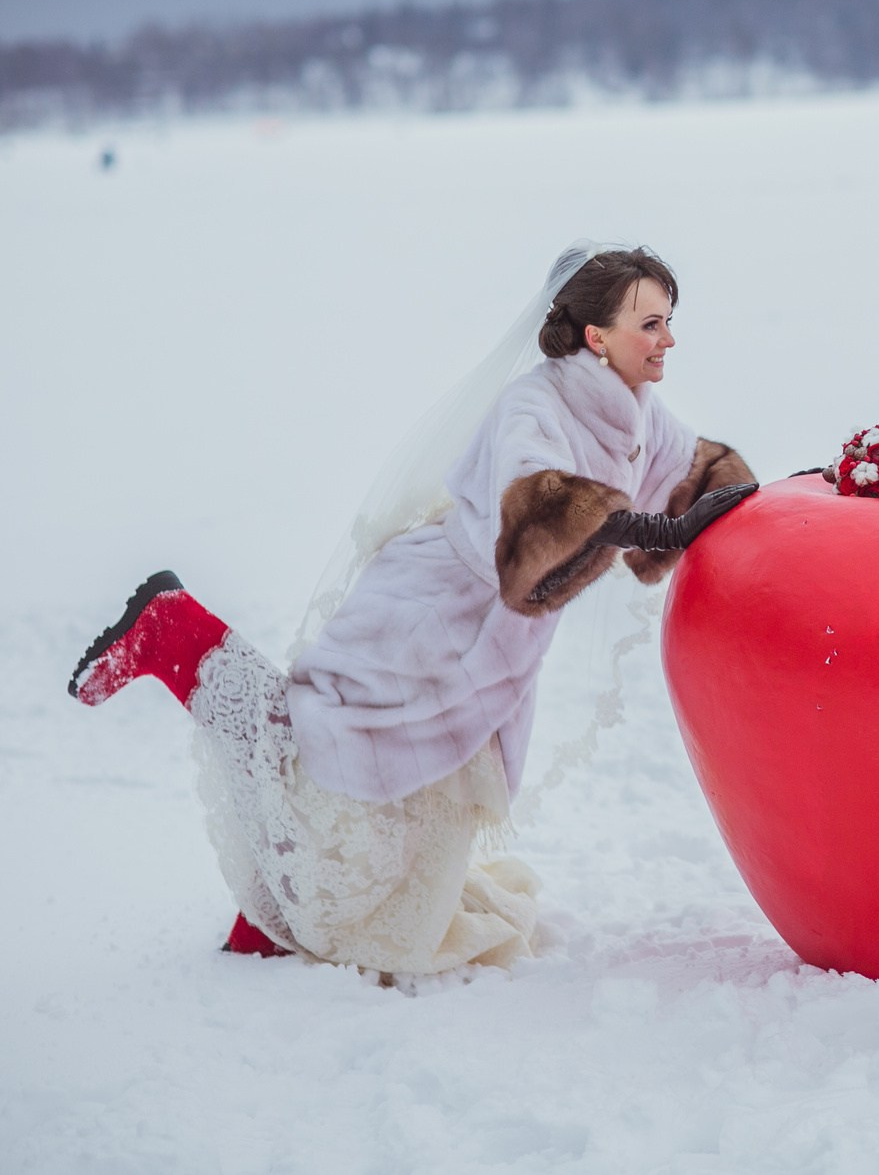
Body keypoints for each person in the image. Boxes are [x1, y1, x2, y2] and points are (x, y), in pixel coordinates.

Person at [68, 244, 758, 979]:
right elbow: (534, 508)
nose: (667, 339)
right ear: (597, 336)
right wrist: (648, 529)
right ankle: (180, 637)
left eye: (669, 321)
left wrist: (759, 504)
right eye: (650, 323)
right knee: (333, 759)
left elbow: (696, 470)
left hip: (491, 643)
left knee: (405, 815)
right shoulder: (537, 402)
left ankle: (268, 915)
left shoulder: (636, 410)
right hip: (430, 612)